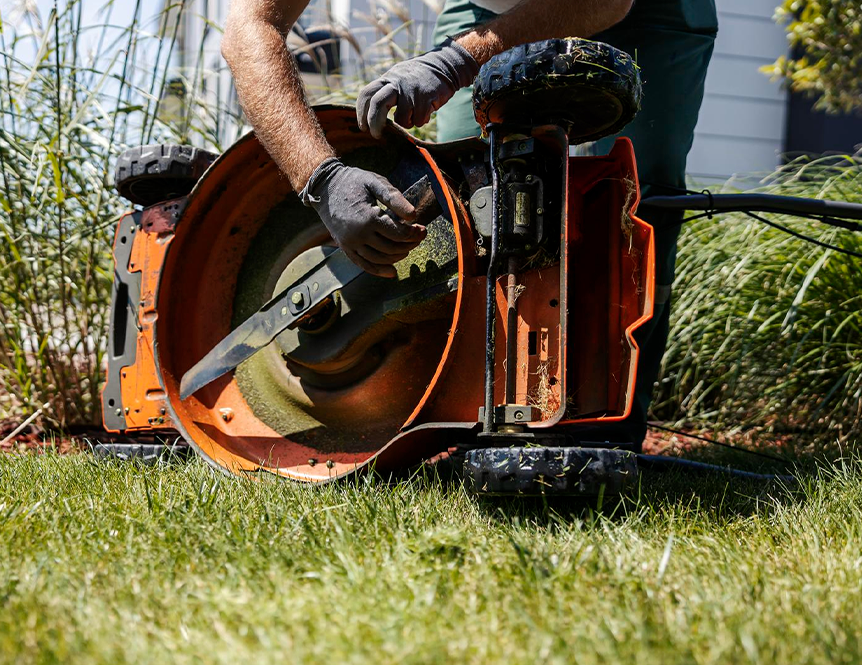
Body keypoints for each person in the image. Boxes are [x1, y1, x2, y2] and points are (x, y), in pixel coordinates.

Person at [220, 0, 717, 447]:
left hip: (645, 12)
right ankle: (478, 418)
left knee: (628, 198)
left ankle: (607, 426)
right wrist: (321, 178)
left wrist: (453, 63)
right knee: (467, 197)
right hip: (487, 10)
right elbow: (249, 26)